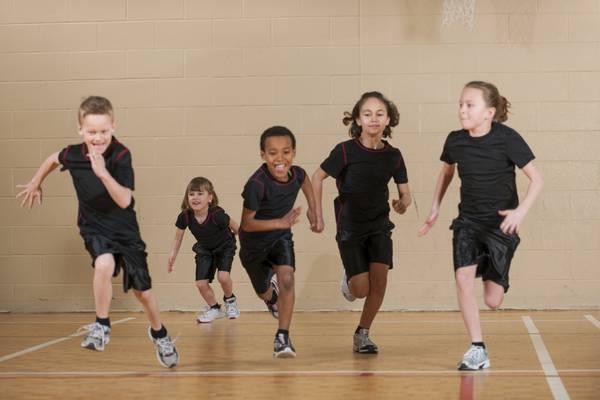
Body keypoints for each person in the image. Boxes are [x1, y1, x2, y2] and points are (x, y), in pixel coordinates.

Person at [16, 96, 179, 368]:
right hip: (94, 228)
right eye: (91, 131)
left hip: (125, 231)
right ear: (80, 130)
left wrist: (102, 173)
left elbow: (125, 200)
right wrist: (35, 182)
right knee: (103, 264)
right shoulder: (74, 153)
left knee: (143, 293)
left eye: (103, 131)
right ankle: (101, 325)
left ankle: (159, 333)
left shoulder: (121, 155)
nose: (98, 137)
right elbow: (53, 158)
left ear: (113, 126)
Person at [418, 81, 544, 370]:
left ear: (489, 112)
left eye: (469, 105)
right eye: (461, 104)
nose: (462, 110)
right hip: (468, 222)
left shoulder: (508, 139)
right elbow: (446, 172)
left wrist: (520, 213)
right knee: (463, 278)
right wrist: (435, 207)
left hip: (501, 226)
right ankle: (477, 348)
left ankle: (490, 264)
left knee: (493, 300)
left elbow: (537, 180)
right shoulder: (455, 141)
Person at [312, 91, 412, 354]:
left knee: (379, 284)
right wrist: (318, 213)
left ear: (388, 119)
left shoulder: (394, 156)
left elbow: (406, 193)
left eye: (380, 114)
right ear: (358, 118)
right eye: (367, 114)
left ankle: (362, 334)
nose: (373, 119)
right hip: (351, 228)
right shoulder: (345, 151)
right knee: (360, 289)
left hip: (379, 226)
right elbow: (317, 177)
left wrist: (403, 204)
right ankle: (350, 276)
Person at [239, 126, 319, 358]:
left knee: (287, 278)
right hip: (253, 246)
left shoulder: (297, 174)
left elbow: (305, 181)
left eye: (286, 152)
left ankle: (282, 337)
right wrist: (280, 222)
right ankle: (271, 298)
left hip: (280, 239)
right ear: (263, 155)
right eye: (273, 153)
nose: (280, 158)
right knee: (263, 292)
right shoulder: (256, 185)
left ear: (294, 152)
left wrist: (315, 212)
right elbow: (246, 224)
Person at [167, 176, 240, 323]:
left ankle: (230, 300)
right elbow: (178, 238)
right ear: (187, 198)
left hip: (224, 246)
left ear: (210, 198)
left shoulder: (217, 214)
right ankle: (214, 309)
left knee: (223, 277)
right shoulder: (185, 216)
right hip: (205, 249)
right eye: (191, 194)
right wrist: (172, 254)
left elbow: (237, 228)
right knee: (201, 283)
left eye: (200, 194)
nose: (195, 197)